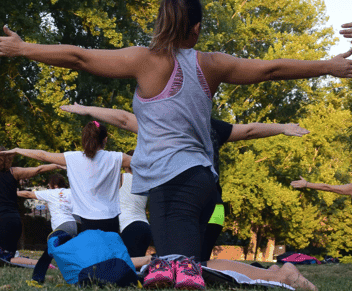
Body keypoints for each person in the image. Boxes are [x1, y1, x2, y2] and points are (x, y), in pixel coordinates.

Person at [0, 0, 352, 289]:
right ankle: (274, 275)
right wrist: (329, 67)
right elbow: (271, 69)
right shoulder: (212, 63)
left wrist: (24, 48)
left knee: (183, 267)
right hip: (196, 180)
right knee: (177, 266)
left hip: (174, 183)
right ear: (196, 27)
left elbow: (79, 58)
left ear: (161, 22)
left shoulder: (144, 61)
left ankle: (280, 276)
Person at [61, 103, 310, 260]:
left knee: (186, 256)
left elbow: (125, 120)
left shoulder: (168, 127)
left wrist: (88, 110)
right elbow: (249, 131)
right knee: (200, 254)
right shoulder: (214, 127)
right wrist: (282, 127)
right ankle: (198, 267)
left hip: (186, 202)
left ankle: (191, 268)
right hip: (215, 203)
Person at [0, 121, 131, 235]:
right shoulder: (117, 157)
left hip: (87, 220)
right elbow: (143, 162)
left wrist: (17, 150)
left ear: (84, 139)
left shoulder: (73, 158)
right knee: (110, 258)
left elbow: (42, 155)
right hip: (111, 218)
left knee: (91, 258)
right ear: (105, 139)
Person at [17, 173, 76, 283]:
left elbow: (28, 194)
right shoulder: (71, 192)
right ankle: (75, 276)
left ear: (53, 185)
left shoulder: (51, 193)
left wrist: (10, 192)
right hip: (73, 225)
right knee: (65, 254)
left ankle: (37, 278)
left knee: (49, 251)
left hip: (61, 226)